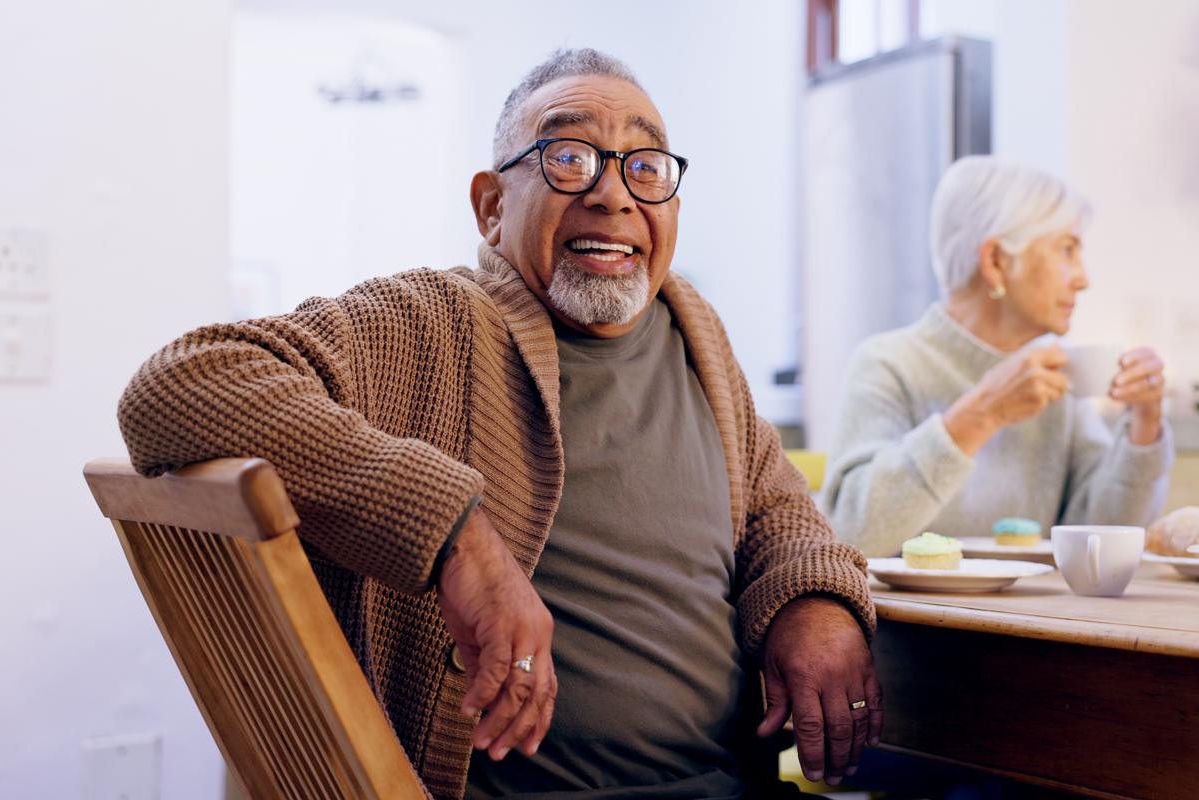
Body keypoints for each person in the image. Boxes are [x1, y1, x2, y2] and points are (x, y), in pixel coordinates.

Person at [118, 49, 882, 799]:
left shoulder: (696, 334)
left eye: (644, 166)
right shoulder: (433, 322)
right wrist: (453, 533)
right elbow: (178, 384)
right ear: (491, 206)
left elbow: (777, 507)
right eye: (568, 157)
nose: (614, 195)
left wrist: (811, 600)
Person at [823, 155, 1173, 559]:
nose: (1083, 278)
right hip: (913, 624)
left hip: (1036, 622)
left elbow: (1101, 543)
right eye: (1066, 250)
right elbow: (848, 538)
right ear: (994, 261)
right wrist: (983, 413)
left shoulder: (1055, 377)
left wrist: (1145, 425)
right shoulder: (886, 364)